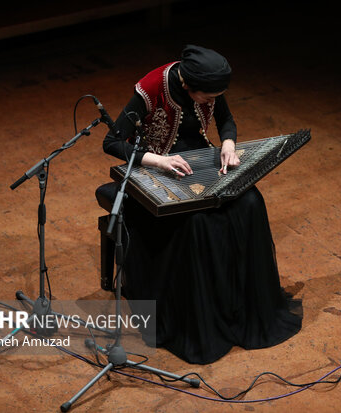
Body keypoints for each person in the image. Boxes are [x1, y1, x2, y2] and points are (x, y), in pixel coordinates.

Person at [96, 45, 302, 364]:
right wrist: (160, 161)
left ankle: (238, 305)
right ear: (187, 85)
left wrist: (229, 147)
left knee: (250, 202)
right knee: (196, 222)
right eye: (206, 98)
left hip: (201, 160)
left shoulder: (210, 82)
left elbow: (226, 121)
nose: (211, 102)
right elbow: (112, 143)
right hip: (154, 171)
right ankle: (198, 315)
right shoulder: (153, 87)